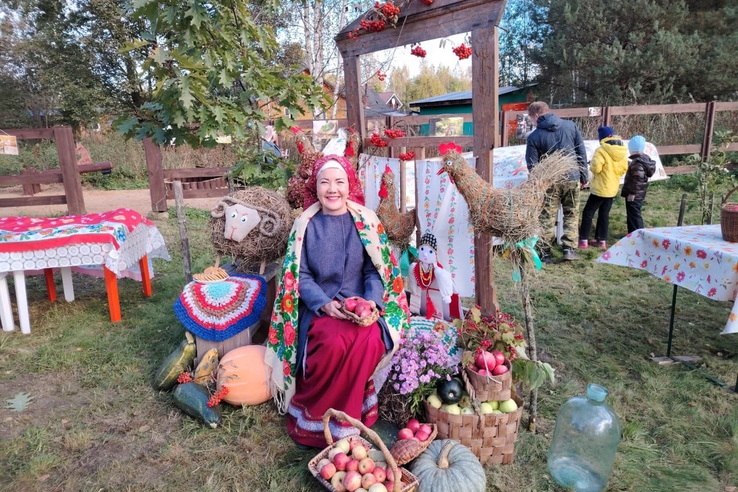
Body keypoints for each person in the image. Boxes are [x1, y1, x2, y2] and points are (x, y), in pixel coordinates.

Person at [264, 154, 410, 449]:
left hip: (361, 308)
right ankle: (315, 419)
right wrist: (323, 304)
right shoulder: (305, 225)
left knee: (369, 338)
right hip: (321, 308)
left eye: (339, 182)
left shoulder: (367, 222)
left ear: (350, 185)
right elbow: (299, 275)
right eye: (325, 183)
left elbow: (374, 271)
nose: (332, 189)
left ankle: (349, 417)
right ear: (315, 188)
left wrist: (370, 303)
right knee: (333, 342)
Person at [526, 101, 589, 262]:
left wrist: (537, 185)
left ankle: (545, 253)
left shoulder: (534, 136)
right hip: (572, 177)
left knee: (546, 216)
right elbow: (580, 151)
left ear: (536, 116)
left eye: (531, 118)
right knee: (571, 214)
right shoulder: (571, 126)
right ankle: (568, 249)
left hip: (550, 182)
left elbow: (533, 165)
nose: (532, 122)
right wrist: (584, 177)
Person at [578, 126, 628, 249]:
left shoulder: (601, 150)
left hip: (600, 188)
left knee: (588, 212)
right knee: (604, 214)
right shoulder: (622, 150)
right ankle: (601, 241)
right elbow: (623, 170)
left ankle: (583, 239)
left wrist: (591, 166)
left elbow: (596, 168)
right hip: (612, 188)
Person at [621, 135, 656, 234]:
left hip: (634, 194)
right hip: (640, 193)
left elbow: (638, 179)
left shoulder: (637, 163)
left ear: (633, 149)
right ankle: (633, 233)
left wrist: (632, 193)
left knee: (634, 215)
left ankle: (638, 233)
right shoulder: (644, 160)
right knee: (634, 213)